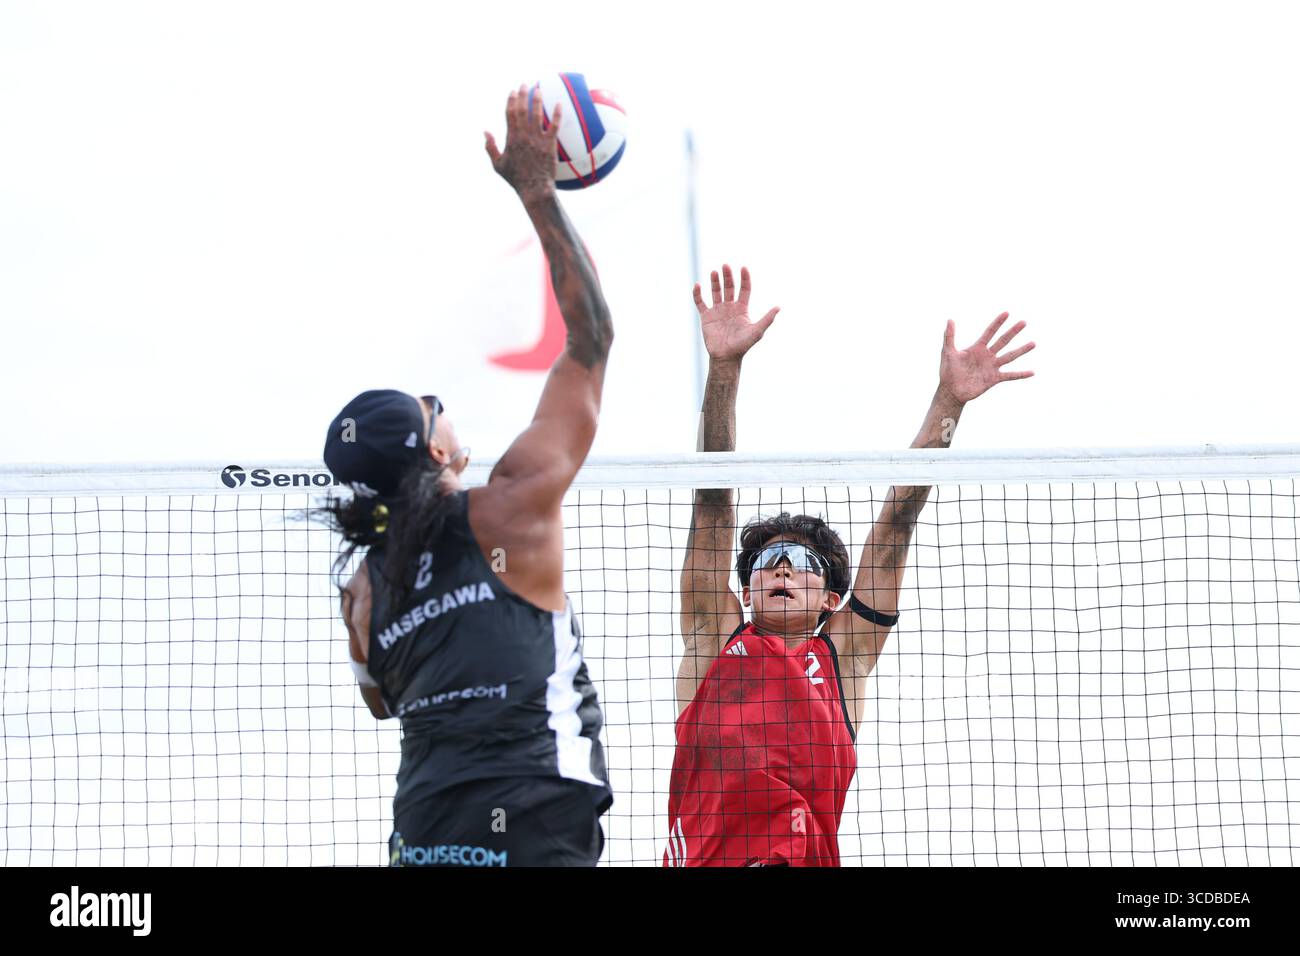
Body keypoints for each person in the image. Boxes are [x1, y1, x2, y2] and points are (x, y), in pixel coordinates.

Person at [317, 87, 614, 866]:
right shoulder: (512, 508)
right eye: (435, 409)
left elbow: (381, 704)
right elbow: (590, 338)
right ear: (437, 454)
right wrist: (537, 193)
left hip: (425, 836)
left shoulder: (363, 592)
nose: (447, 409)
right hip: (535, 815)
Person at [666, 265, 1035, 866]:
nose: (780, 570)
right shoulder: (715, 638)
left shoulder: (844, 656)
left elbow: (894, 530)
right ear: (748, 588)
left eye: (801, 561)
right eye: (765, 561)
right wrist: (725, 368)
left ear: (831, 600)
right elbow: (712, 499)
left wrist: (948, 404)